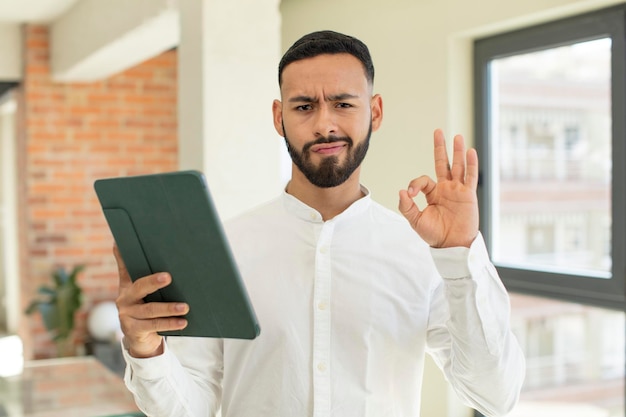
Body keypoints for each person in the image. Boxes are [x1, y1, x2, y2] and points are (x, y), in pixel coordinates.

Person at [114, 30, 525, 417]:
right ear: (279, 117)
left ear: (375, 111)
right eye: (304, 106)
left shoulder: (422, 252)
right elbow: (190, 408)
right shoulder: (225, 248)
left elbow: (494, 396)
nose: (325, 124)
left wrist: (460, 255)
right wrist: (145, 349)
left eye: (344, 104)